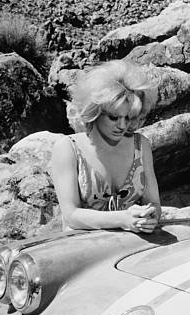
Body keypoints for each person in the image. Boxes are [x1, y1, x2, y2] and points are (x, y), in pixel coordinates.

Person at [50, 60, 161, 233]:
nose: (122, 126)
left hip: (132, 247)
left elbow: (153, 203)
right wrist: (123, 219)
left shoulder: (141, 145)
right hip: (83, 250)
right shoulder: (68, 148)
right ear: (95, 111)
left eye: (129, 117)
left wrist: (149, 217)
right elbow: (71, 214)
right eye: (114, 117)